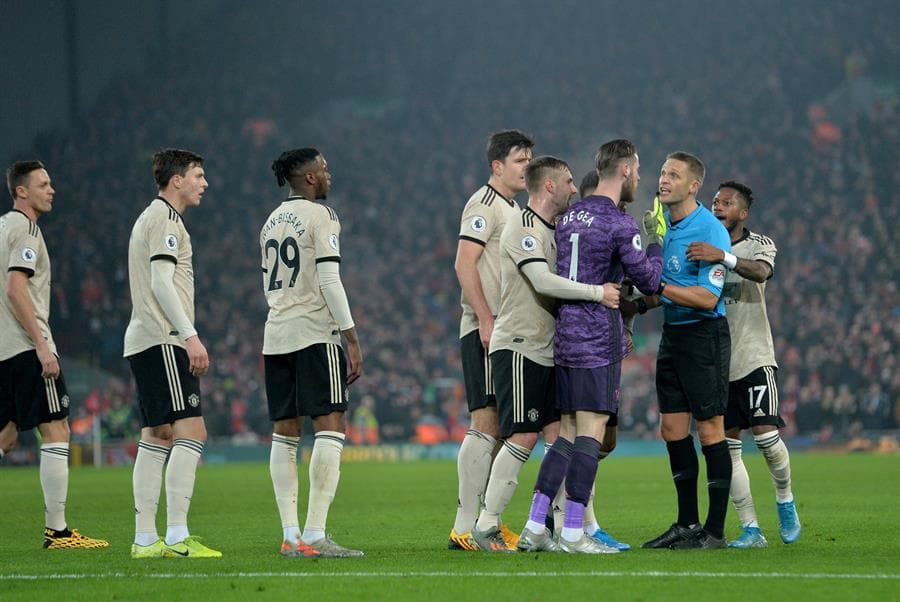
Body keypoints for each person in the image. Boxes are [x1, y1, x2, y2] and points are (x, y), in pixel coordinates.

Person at [518, 139, 663, 554]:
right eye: (636, 170)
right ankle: (573, 532)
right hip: (598, 336)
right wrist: (655, 240)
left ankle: (534, 526)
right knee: (591, 435)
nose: (638, 178)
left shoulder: (569, 216)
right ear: (623, 171)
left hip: (565, 334)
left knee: (564, 435)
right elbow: (650, 281)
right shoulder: (621, 224)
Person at [470, 156, 618, 552]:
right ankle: (485, 524)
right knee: (522, 434)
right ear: (549, 186)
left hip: (550, 349)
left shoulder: (557, 230)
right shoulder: (523, 226)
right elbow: (540, 279)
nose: (575, 188)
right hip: (519, 345)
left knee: (559, 436)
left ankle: (548, 527)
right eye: (569, 181)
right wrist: (597, 293)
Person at [0, 161, 108, 550]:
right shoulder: (26, 230)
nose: (52, 190)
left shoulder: (1, 228)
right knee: (56, 429)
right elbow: (16, 289)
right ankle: (58, 532)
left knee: (7, 436)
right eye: (43, 184)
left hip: (3, 351)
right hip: (27, 347)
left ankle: (57, 531)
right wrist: (42, 344)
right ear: (21, 192)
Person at [686, 181, 800, 547]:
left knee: (767, 437)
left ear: (743, 212)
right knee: (727, 446)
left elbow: (761, 273)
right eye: (716, 200)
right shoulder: (701, 247)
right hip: (717, 363)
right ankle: (750, 527)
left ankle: (784, 498)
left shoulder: (758, 244)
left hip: (754, 356)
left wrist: (722, 257)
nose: (719, 206)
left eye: (728, 202)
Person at [263, 148, 364, 558]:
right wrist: (351, 338)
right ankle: (316, 532)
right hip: (313, 333)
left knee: (285, 433)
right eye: (323, 169)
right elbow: (328, 279)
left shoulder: (270, 220)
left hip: (276, 333)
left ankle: (290, 535)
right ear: (308, 177)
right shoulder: (322, 216)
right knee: (331, 425)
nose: (328, 174)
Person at [125, 148, 221, 559]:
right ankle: (178, 537)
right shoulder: (165, 219)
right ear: (176, 180)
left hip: (145, 337)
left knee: (157, 434)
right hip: (163, 338)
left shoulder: (151, 217)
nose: (204, 183)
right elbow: (162, 282)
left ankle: (146, 539)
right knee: (192, 432)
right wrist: (190, 336)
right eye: (197, 175)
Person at [641, 151, 733, 550]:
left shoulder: (708, 231)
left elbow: (707, 298)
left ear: (693, 185)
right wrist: (641, 300)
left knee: (710, 429)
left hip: (704, 336)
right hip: (673, 335)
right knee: (672, 430)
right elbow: (667, 287)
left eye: (673, 175)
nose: (663, 180)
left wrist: (658, 288)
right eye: (662, 173)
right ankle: (686, 522)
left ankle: (714, 531)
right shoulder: (669, 229)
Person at [449, 129, 534, 551]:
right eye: (520, 160)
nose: (528, 167)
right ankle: (465, 527)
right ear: (497, 166)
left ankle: (484, 522)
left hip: (507, 328)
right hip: (487, 327)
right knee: (485, 420)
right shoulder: (483, 204)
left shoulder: (512, 207)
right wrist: (484, 317)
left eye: (530, 160)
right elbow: (464, 263)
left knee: (499, 423)